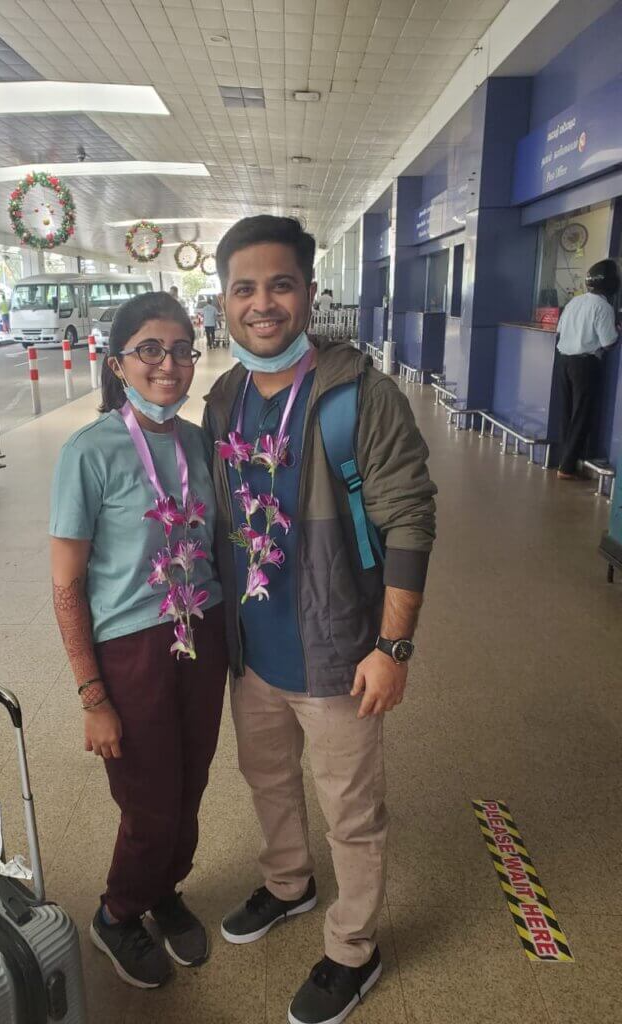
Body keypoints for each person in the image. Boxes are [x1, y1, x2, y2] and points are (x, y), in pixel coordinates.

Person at [202, 216, 436, 1024]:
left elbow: (410, 519)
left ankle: (354, 949)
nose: (261, 303)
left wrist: (393, 646)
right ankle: (288, 884)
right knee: (266, 780)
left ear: (307, 292)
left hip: (336, 652)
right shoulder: (225, 397)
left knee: (352, 812)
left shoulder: (360, 396)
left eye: (279, 285)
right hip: (252, 651)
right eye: (244, 288)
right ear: (224, 301)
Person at [50, 291, 228, 990]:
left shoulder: (198, 443)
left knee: (190, 782)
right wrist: (92, 695)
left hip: (201, 633)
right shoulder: (89, 452)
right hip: (132, 650)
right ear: (117, 363)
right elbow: (67, 584)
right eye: (149, 349)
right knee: (149, 802)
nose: (168, 364)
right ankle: (118, 911)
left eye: (181, 349)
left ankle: (163, 890)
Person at [555, 259, 620, 479]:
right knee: (582, 414)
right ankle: (567, 467)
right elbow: (609, 342)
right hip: (585, 365)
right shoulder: (603, 307)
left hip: (564, 360)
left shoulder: (575, 302)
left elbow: (559, 330)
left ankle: (564, 460)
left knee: (567, 413)